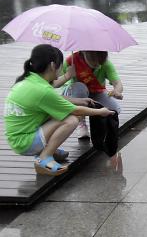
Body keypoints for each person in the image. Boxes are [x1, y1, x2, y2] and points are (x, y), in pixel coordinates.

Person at [4, 44, 114, 176]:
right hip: (25, 143)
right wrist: (100, 112)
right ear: (52, 65)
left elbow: (53, 100)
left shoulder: (30, 80)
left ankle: (49, 149)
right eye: (61, 65)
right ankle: (44, 157)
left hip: (18, 137)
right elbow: (75, 111)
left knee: (55, 112)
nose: (62, 68)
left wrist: (79, 100)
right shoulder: (42, 90)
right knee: (71, 120)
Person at [53, 50, 123, 139]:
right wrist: (67, 76)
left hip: (96, 91)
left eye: (100, 61)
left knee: (115, 109)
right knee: (80, 87)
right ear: (84, 52)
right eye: (93, 60)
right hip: (75, 93)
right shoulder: (71, 61)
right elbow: (54, 84)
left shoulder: (105, 63)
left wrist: (117, 91)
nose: (97, 64)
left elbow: (117, 83)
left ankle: (101, 125)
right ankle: (81, 122)